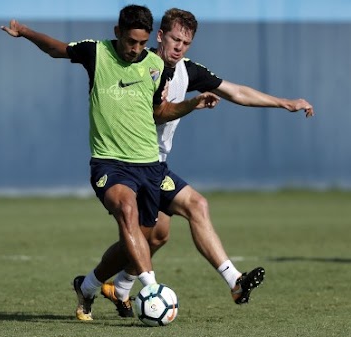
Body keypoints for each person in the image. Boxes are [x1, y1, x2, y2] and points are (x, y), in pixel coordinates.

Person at [0, 5, 220, 321]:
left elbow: (160, 112)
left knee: (147, 237)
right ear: (117, 33)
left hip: (148, 166)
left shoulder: (155, 66)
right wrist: (26, 33)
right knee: (126, 210)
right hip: (109, 164)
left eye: (142, 43)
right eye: (131, 41)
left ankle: (88, 286)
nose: (136, 49)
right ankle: (152, 290)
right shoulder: (96, 52)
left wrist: (192, 104)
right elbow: (56, 49)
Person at [93, 8, 315, 318]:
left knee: (175, 221)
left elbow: (236, 91)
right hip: (126, 165)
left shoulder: (188, 72)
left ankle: (233, 281)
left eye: (186, 42)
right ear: (160, 36)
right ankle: (97, 285)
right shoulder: (138, 64)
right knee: (148, 235)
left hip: (156, 165)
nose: (179, 46)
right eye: (174, 38)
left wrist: (284, 102)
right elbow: (152, 110)